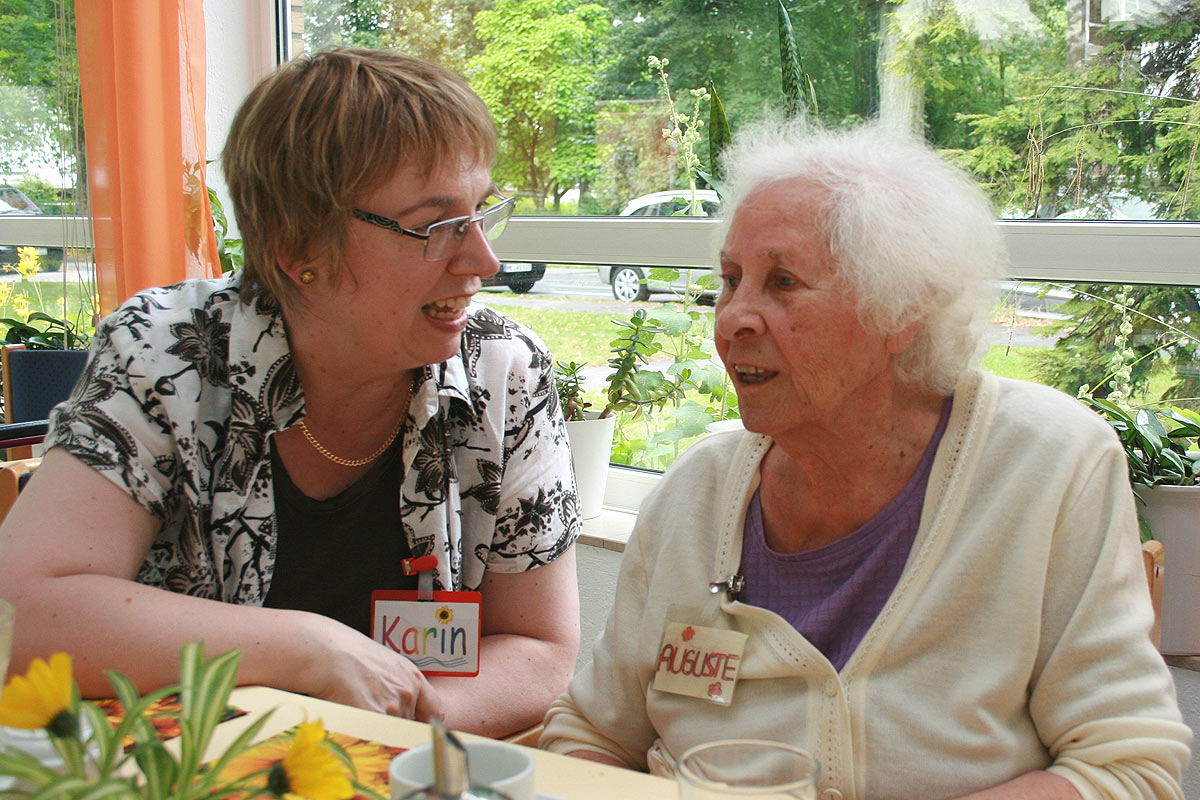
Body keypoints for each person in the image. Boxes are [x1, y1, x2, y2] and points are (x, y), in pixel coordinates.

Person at [540, 121, 1192, 798]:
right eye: (731, 279)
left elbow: (1125, 767)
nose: (734, 316)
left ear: (900, 310)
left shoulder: (1048, 465)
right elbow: (592, 735)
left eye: (783, 281)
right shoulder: (694, 495)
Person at [0, 48, 581, 738]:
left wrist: (367, 730)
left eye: (483, 212)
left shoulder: (501, 372)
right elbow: (24, 612)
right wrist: (302, 649)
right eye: (435, 225)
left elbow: (542, 652)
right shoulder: (166, 353)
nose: (484, 259)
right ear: (298, 251)